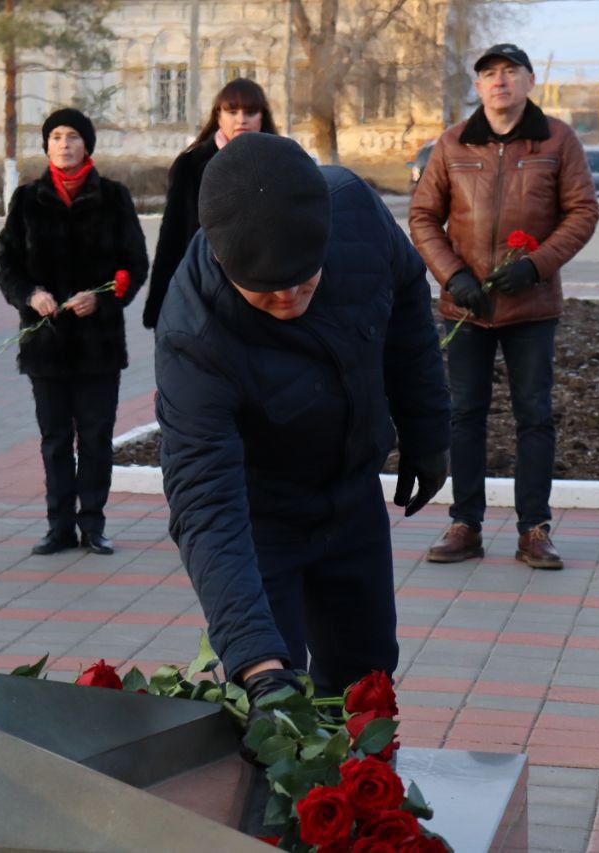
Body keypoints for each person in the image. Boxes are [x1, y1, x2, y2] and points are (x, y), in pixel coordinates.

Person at [155, 133, 450, 712]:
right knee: (274, 706)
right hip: (263, 520)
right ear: (221, 256)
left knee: (367, 681)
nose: (289, 295)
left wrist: (426, 428)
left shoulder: (354, 211)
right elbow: (204, 503)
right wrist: (256, 663)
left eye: (304, 276)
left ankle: (366, 792)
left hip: (351, 498)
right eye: (266, 289)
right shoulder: (193, 337)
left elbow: (408, 291)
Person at [410, 43, 598, 570]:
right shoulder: (451, 144)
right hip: (466, 308)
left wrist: (536, 266)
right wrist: (453, 275)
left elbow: (583, 211)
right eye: (489, 74)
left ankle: (533, 530)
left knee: (534, 416)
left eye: (510, 72)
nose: (500, 82)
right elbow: (423, 217)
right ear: (478, 87)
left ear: (529, 81)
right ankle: (465, 525)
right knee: (465, 415)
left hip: (532, 307)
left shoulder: (557, 140)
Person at [0, 107, 149, 556]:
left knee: (96, 437)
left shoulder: (114, 198)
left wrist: (102, 299)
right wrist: (31, 295)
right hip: (47, 344)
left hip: (98, 345)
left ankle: (93, 525)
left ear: (87, 145)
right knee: (56, 438)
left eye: (73, 136)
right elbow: (5, 263)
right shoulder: (26, 200)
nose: (64, 144)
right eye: (56, 136)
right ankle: (59, 526)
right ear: (46, 146)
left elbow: (134, 265)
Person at [143, 78, 279, 330]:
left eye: (250, 112)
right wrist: (160, 307)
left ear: (262, 117)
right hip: (206, 295)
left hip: (268, 297)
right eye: (232, 111)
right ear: (218, 116)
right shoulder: (190, 166)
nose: (241, 120)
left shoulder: (283, 164)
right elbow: (172, 237)